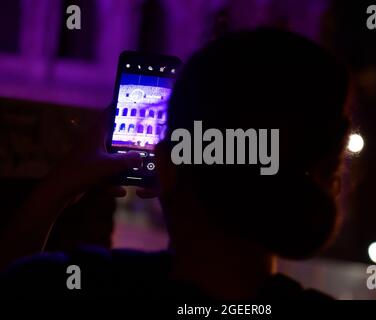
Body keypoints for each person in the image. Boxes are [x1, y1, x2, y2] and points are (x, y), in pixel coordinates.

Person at [0, 28, 350, 300]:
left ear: (167, 166)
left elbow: (11, 276)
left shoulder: (71, 283)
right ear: (326, 181)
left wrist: (57, 187)